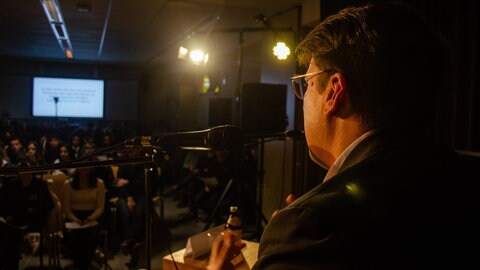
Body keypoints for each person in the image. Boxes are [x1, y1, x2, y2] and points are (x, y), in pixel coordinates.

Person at [208, 2, 479, 269]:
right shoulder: (462, 178)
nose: (302, 98)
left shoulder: (312, 230)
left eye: (307, 84)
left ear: (334, 92)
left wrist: (288, 236)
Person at [0, 170, 54, 269]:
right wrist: (7, 215)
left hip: (34, 222)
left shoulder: (40, 185)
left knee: (11, 238)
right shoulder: (11, 185)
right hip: (13, 223)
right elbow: (3, 204)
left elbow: (47, 206)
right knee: (7, 237)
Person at [61, 166, 106, 270]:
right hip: (73, 217)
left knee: (90, 236)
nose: (84, 169)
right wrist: (75, 219)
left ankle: (85, 264)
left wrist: (90, 218)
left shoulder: (99, 183)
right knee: (76, 237)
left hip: (93, 217)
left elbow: (100, 207)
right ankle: (80, 265)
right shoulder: (68, 184)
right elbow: (66, 208)